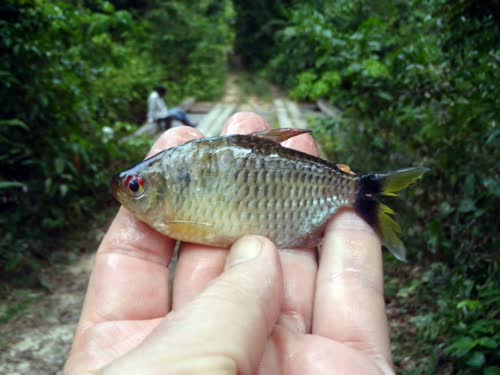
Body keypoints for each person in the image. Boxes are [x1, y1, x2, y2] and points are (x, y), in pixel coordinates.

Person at [64, 112, 394, 374]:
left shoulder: (171, 204)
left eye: (136, 186)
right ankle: (362, 191)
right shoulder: (172, 193)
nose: (131, 193)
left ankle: (361, 191)